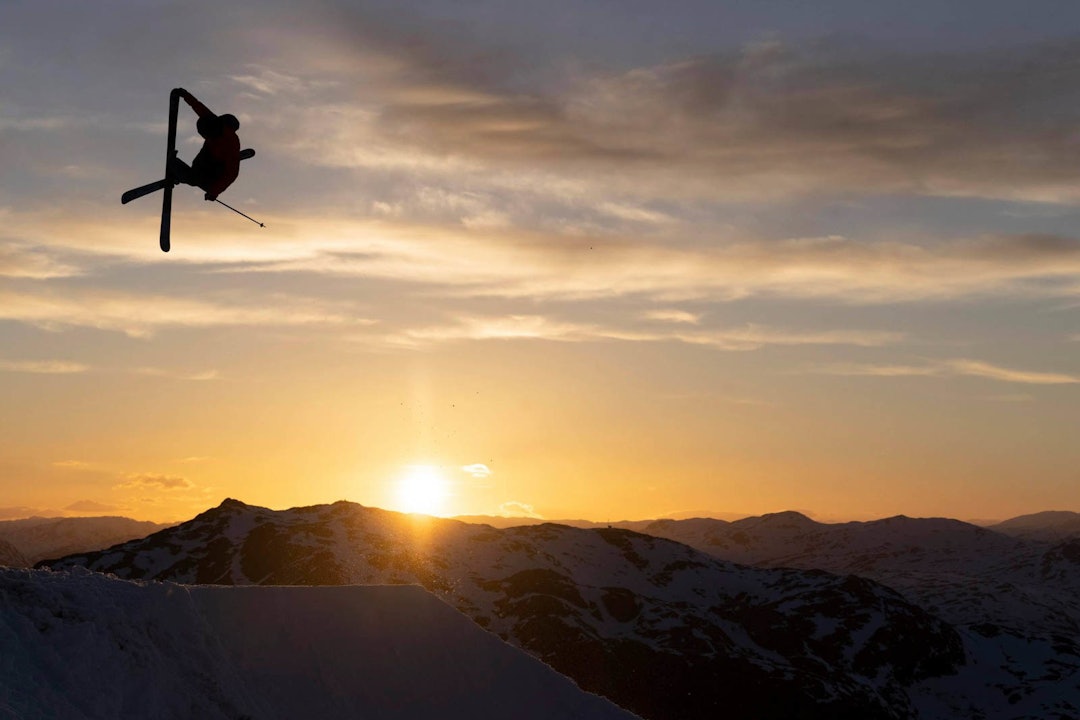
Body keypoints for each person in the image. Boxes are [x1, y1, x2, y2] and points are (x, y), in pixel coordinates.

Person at [172, 88, 241, 201]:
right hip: (208, 159)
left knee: (195, 179)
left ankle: (176, 166)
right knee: (196, 173)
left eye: (207, 135)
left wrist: (213, 192)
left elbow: (231, 174)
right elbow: (198, 107)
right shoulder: (211, 120)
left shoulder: (231, 144)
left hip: (216, 167)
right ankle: (181, 170)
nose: (205, 137)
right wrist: (185, 95)